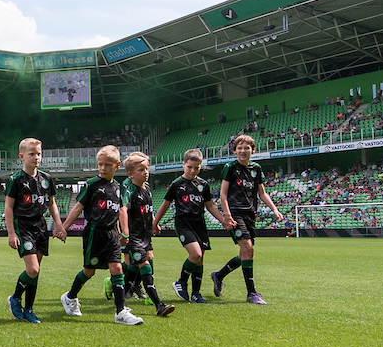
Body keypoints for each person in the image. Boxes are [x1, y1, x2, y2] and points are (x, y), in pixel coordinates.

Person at [57, 146, 143, 326]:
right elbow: (78, 207)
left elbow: (119, 211)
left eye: (107, 165)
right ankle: (70, 297)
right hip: (94, 232)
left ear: (117, 165)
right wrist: (63, 227)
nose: (103, 168)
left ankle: (120, 310)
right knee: (89, 271)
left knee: (117, 269)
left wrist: (123, 232)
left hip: (111, 234)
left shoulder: (119, 189)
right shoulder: (92, 185)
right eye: (100, 165)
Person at [212, 134, 284, 305]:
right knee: (248, 249)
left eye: (246, 148)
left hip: (250, 214)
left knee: (244, 254)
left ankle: (218, 275)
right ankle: (251, 293)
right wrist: (227, 215)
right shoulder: (230, 167)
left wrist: (274, 209)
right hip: (235, 213)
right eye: (239, 148)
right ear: (235, 150)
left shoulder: (256, 169)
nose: (243, 151)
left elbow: (262, 193)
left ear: (253, 150)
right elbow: (222, 194)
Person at [152, 149, 232, 303]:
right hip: (183, 223)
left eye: (196, 168)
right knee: (196, 254)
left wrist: (223, 220)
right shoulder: (177, 184)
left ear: (200, 167)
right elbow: (165, 205)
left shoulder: (203, 184)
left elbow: (210, 205)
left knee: (200, 260)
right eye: (189, 167)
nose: (192, 170)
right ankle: (181, 281)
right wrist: (155, 223)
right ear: (183, 165)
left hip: (199, 224)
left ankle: (196, 293)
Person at [5, 137, 66, 323]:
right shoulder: (16, 180)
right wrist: (11, 233)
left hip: (40, 227)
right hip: (23, 226)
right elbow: (8, 207)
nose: (36, 157)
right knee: (32, 269)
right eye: (32, 154)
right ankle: (15, 298)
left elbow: (51, 204)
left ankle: (29, 309)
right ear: (21, 156)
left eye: (39, 154)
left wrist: (59, 224)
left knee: (36, 271)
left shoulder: (46, 179)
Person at [118, 152, 175, 318]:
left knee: (136, 266)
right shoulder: (129, 191)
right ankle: (158, 304)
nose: (146, 172)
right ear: (131, 174)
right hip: (134, 237)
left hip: (145, 236)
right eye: (141, 169)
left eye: (146, 168)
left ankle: (119, 291)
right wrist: (125, 232)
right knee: (145, 264)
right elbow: (123, 210)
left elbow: (149, 210)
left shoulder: (147, 189)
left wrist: (153, 224)